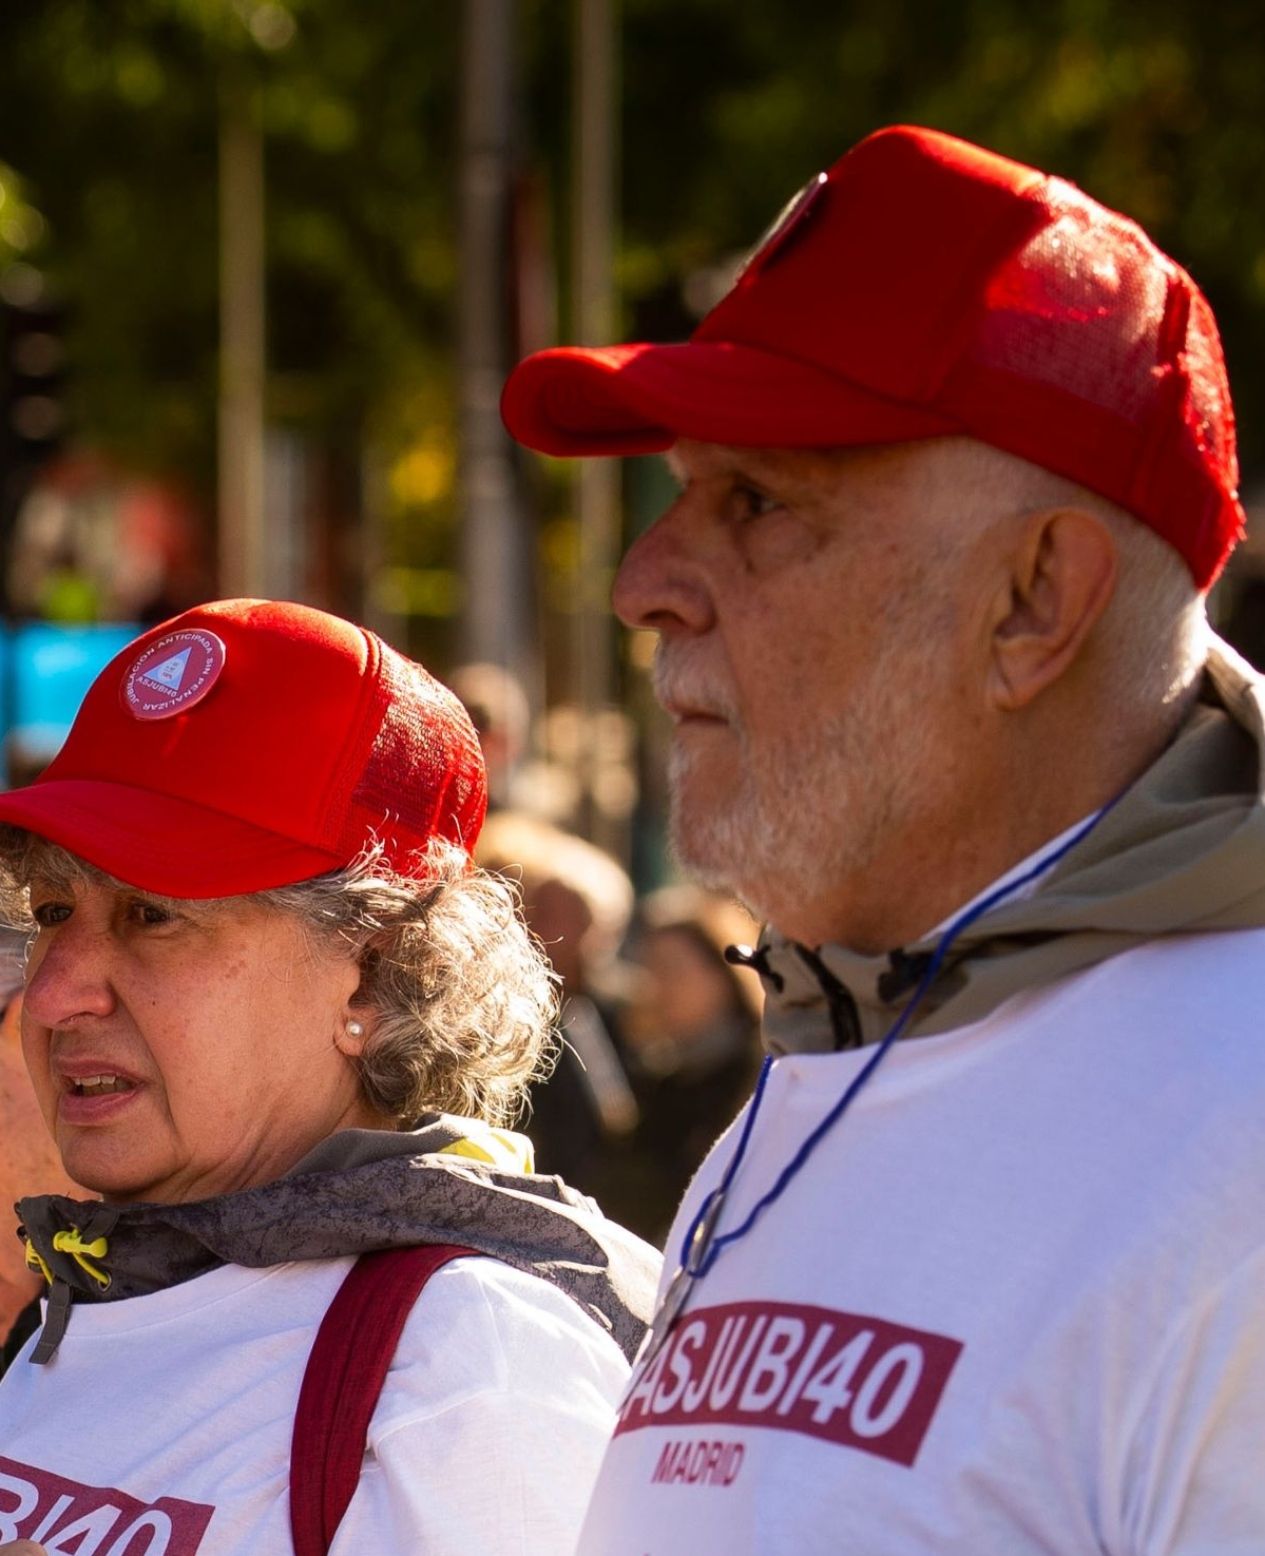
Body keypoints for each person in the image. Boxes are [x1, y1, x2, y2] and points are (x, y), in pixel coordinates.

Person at [501, 124, 1265, 1552]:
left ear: (1036, 599)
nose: (644, 582)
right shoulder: (852, 1040)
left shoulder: (1235, 1124)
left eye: (757, 503)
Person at [0, 598, 659, 1555]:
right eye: (54, 910)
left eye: (152, 915)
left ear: (376, 974)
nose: (56, 994)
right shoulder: (81, 1292)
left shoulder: (465, 1352)